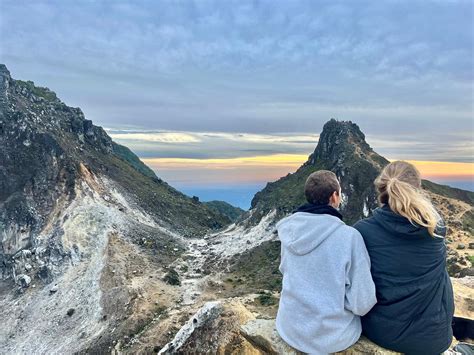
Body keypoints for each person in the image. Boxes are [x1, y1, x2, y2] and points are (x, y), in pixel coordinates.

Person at [353, 161, 454, 355]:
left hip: (382, 332)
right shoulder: (436, 228)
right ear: (418, 188)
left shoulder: (362, 231)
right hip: (434, 338)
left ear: (381, 187)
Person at [275, 170, 377, 354]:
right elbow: (362, 303)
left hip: (290, 328)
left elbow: (285, 270)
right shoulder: (349, 237)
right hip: (330, 338)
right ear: (334, 196)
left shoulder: (289, 230)